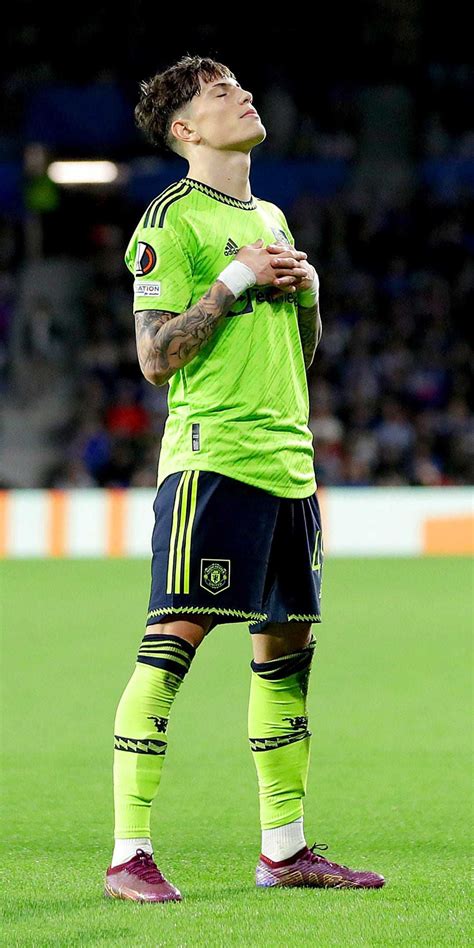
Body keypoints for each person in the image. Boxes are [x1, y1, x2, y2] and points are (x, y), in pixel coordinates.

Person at [104, 54, 385, 902]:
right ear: (185, 128)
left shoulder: (271, 216)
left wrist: (308, 294)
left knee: (287, 657)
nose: (245, 96)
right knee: (171, 647)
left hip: (287, 467)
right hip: (213, 460)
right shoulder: (171, 219)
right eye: (222, 92)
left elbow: (298, 355)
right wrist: (233, 280)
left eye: (242, 86)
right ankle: (127, 855)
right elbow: (155, 358)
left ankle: (284, 851)